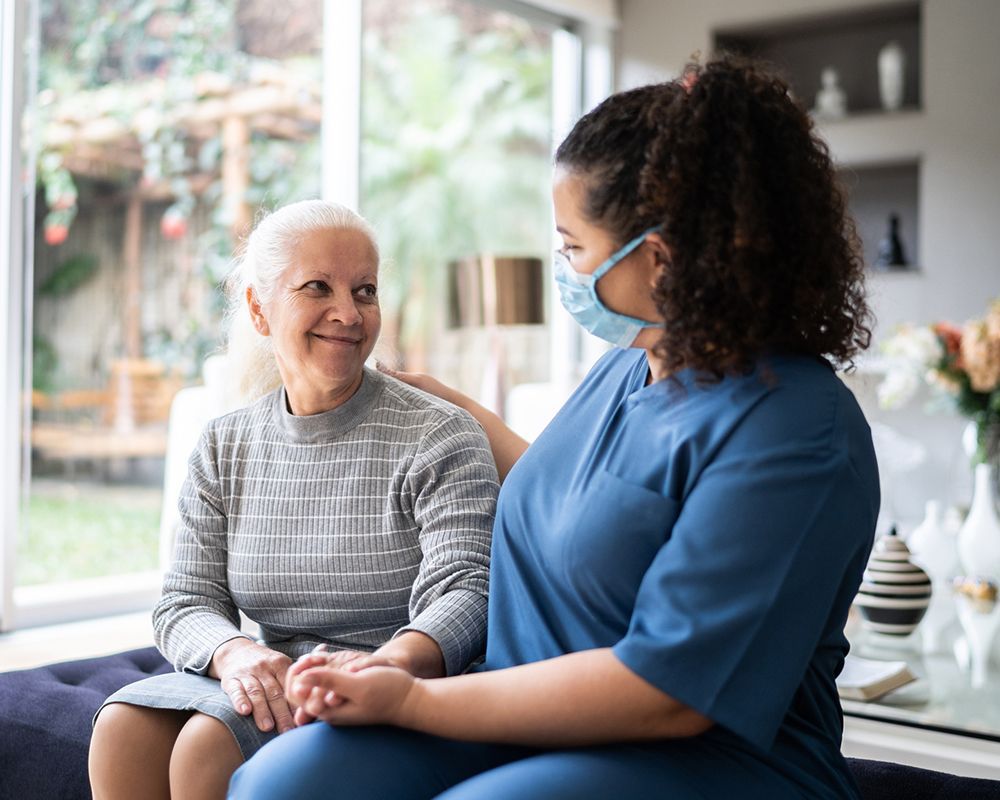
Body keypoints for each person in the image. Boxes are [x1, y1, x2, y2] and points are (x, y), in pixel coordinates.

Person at [228, 55, 879, 800]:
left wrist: (414, 697)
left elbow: (668, 691)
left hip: (703, 755)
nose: (563, 267)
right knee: (285, 781)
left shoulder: (796, 431)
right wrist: (459, 411)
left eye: (573, 247)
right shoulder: (630, 364)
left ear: (660, 261)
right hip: (519, 711)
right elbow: (595, 504)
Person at [88, 200, 499, 800]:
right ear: (259, 308)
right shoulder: (225, 443)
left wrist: (388, 667)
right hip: (270, 672)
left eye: (365, 291)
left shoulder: (439, 433)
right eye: (318, 288)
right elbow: (184, 601)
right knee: (121, 729)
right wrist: (233, 654)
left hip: (390, 681)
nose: (347, 313)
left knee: (206, 747)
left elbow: (470, 590)